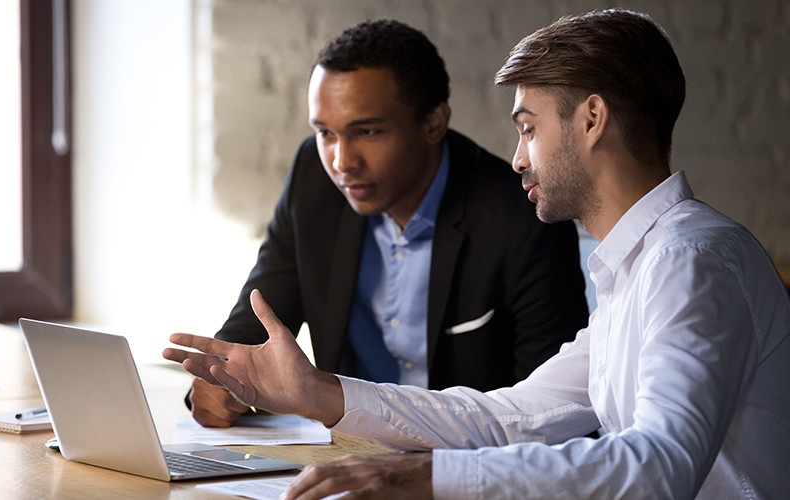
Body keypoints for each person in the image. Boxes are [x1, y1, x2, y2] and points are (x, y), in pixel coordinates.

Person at [165, 8, 790, 498]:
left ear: (592, 119)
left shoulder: (691, 260)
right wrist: (318, 393)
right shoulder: (640, 267)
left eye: (528, 127)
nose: (518, 157)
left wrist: (422, 479)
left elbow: (659, 469)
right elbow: (509, 417)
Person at [186, 19, 589, 427]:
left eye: (368, 131)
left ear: (434, 123)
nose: (342, 162)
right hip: (343, 451)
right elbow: (260, 315)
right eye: (326, 133)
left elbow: (553, 416)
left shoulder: (523, 217)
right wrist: (221, 377)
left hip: (463, 466)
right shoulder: (314, 178)